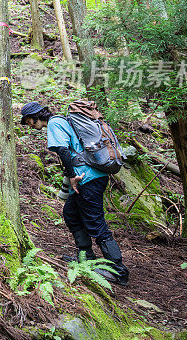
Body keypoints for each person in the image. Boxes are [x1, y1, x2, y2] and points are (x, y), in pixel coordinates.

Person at [20, 101, 129, 286]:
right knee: (71, 214)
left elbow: (63, 150)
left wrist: (72, 176)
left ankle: (118, 271)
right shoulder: (63, 121)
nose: (29, 125)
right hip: (91, 177)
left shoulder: (54, 123)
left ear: (37, 116)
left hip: (87, 179)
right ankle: (86, 259)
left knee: (95, 223)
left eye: (29, 120)